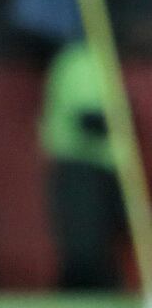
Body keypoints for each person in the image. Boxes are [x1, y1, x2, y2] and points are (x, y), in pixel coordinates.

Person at [40, 39, 124, 288]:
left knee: (105, 239)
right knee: (84, 243)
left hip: (106, 167)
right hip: (81, 165)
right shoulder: (79, 61)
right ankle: (86, 291)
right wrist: (120, 119)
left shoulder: (104, 60)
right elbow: (88, 119)